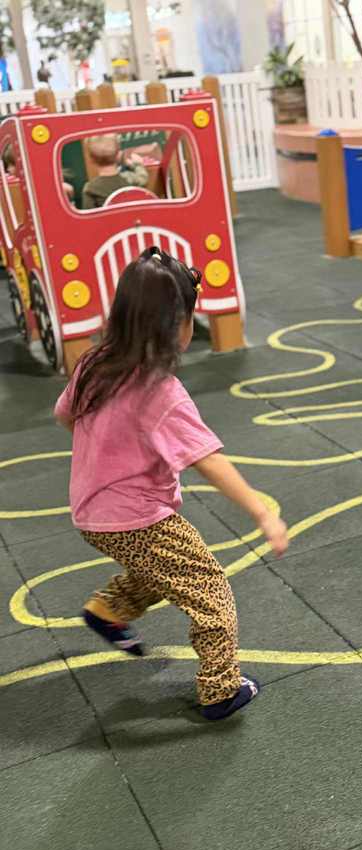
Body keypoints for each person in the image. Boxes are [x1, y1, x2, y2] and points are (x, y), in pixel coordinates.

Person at [54, 247, 289, 720]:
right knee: (208, 588)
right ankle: (221, 689)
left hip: (90, 512)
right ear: (175, 326)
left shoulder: (93, 362)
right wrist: (262, 513)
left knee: (165, 568)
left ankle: (108, 610)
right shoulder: (161, 390)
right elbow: (208, 460)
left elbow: (65, 416)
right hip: (134, 516)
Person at [82, 134, 150, 210]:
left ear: (91, 160)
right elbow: (143, 178)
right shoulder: (130, 179)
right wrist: (137, 165)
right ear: (118, 156)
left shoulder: (90, 188)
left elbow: (89, 216)